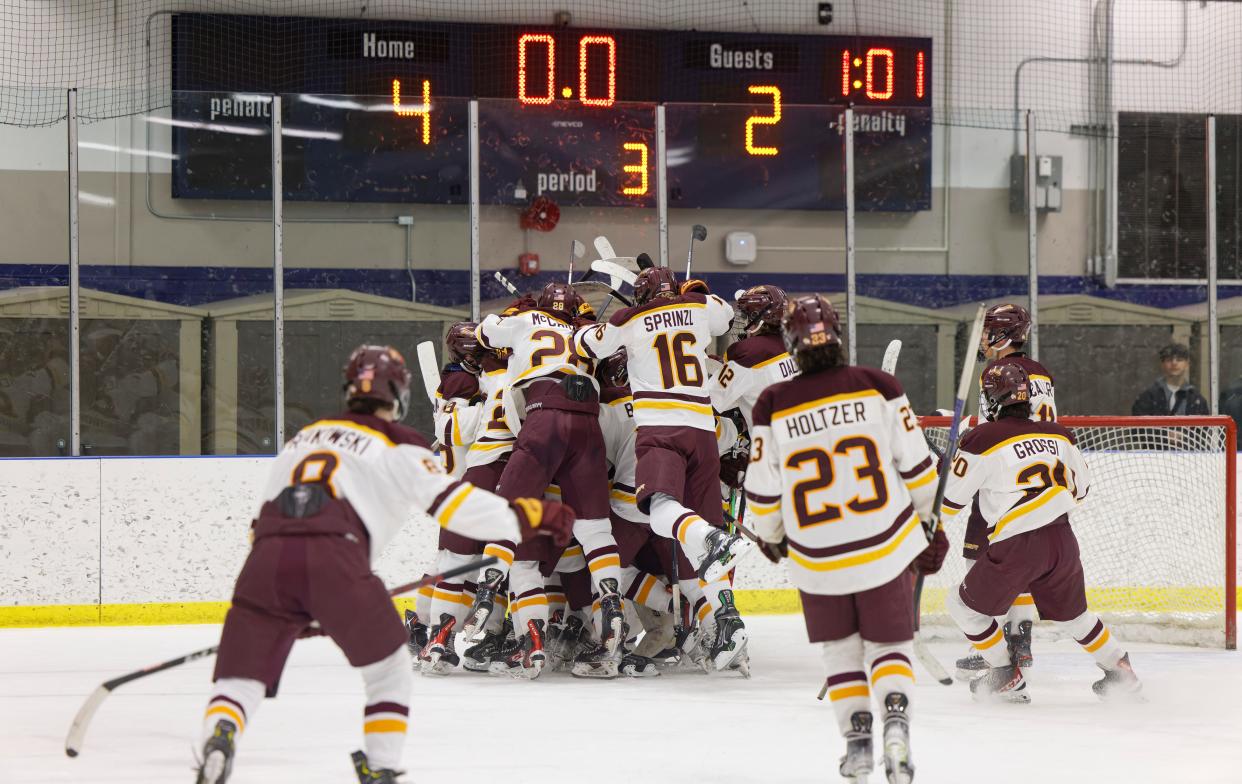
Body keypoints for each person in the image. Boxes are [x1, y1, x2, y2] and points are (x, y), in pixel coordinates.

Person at [194, 345, 574, 784]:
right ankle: (380, 768)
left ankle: (221, 735)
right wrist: (524, 516)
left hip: (265, 563)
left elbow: (259, 524)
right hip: (337, 558)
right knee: (389, 671)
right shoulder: (399, 443)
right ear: (398, 393)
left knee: (241, 673)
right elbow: (452, 506)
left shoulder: (302, 438)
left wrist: (291, 599)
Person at [744, 294, 944, 784]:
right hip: (884, 544)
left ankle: (857, 744)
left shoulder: (774, 402)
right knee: (889, 646)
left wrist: (771, 535)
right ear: (837, 336)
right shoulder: (878, 385)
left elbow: (762, 490)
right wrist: (927, 527)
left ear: (792, 343)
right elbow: (919, 468)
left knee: (841, 652)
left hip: (817, 555)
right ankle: (896, 722)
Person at [574, 267, 756, 667]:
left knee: (659, 510)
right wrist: (685, 300)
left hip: (663, 430)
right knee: (699, 552)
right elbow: (724, 315)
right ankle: (727, 619)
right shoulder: (699, 306)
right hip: (703, 432)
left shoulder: (629, 319)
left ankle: (712, 539)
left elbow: (588, 343)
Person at [942, 363, 1141, 704]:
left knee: (962, 606)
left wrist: (945, 467)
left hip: (1018, 544)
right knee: (1075, 616)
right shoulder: (1059, 434)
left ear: (993, 401)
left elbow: (947, 504)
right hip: (1062, 540)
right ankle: (1119, 670)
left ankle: (1005, 673)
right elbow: (1081, 491)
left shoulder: (981, 438)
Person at [476, 281, 628, 678]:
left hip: (544, 418)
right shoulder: (582, 333)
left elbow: (485, 331)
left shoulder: (526, 318)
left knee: (505, 513)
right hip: (588, 424)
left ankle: (487, 588)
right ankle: (611, 606)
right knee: (595, 528)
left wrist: (514, 312)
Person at [956, 303, 1057, 679]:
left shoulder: (998, 372)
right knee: (1022, 560)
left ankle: (987, 644)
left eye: (986, 331)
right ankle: (1020, 638)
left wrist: (965, 438)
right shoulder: (1040, 372)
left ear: (1001, 334)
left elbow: (994, 427)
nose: (982, 339)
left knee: (977, 556)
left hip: (1000, 478)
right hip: (1036, 477)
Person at [1131, 342, 1209, 416]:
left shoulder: (1196, 398)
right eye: (1169, 360)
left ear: (1187, 364)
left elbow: (1203, 428)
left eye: (1179, 360)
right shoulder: (1148, 397)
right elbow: (1140, 428)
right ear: (1162, 364)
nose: (1174, 363)